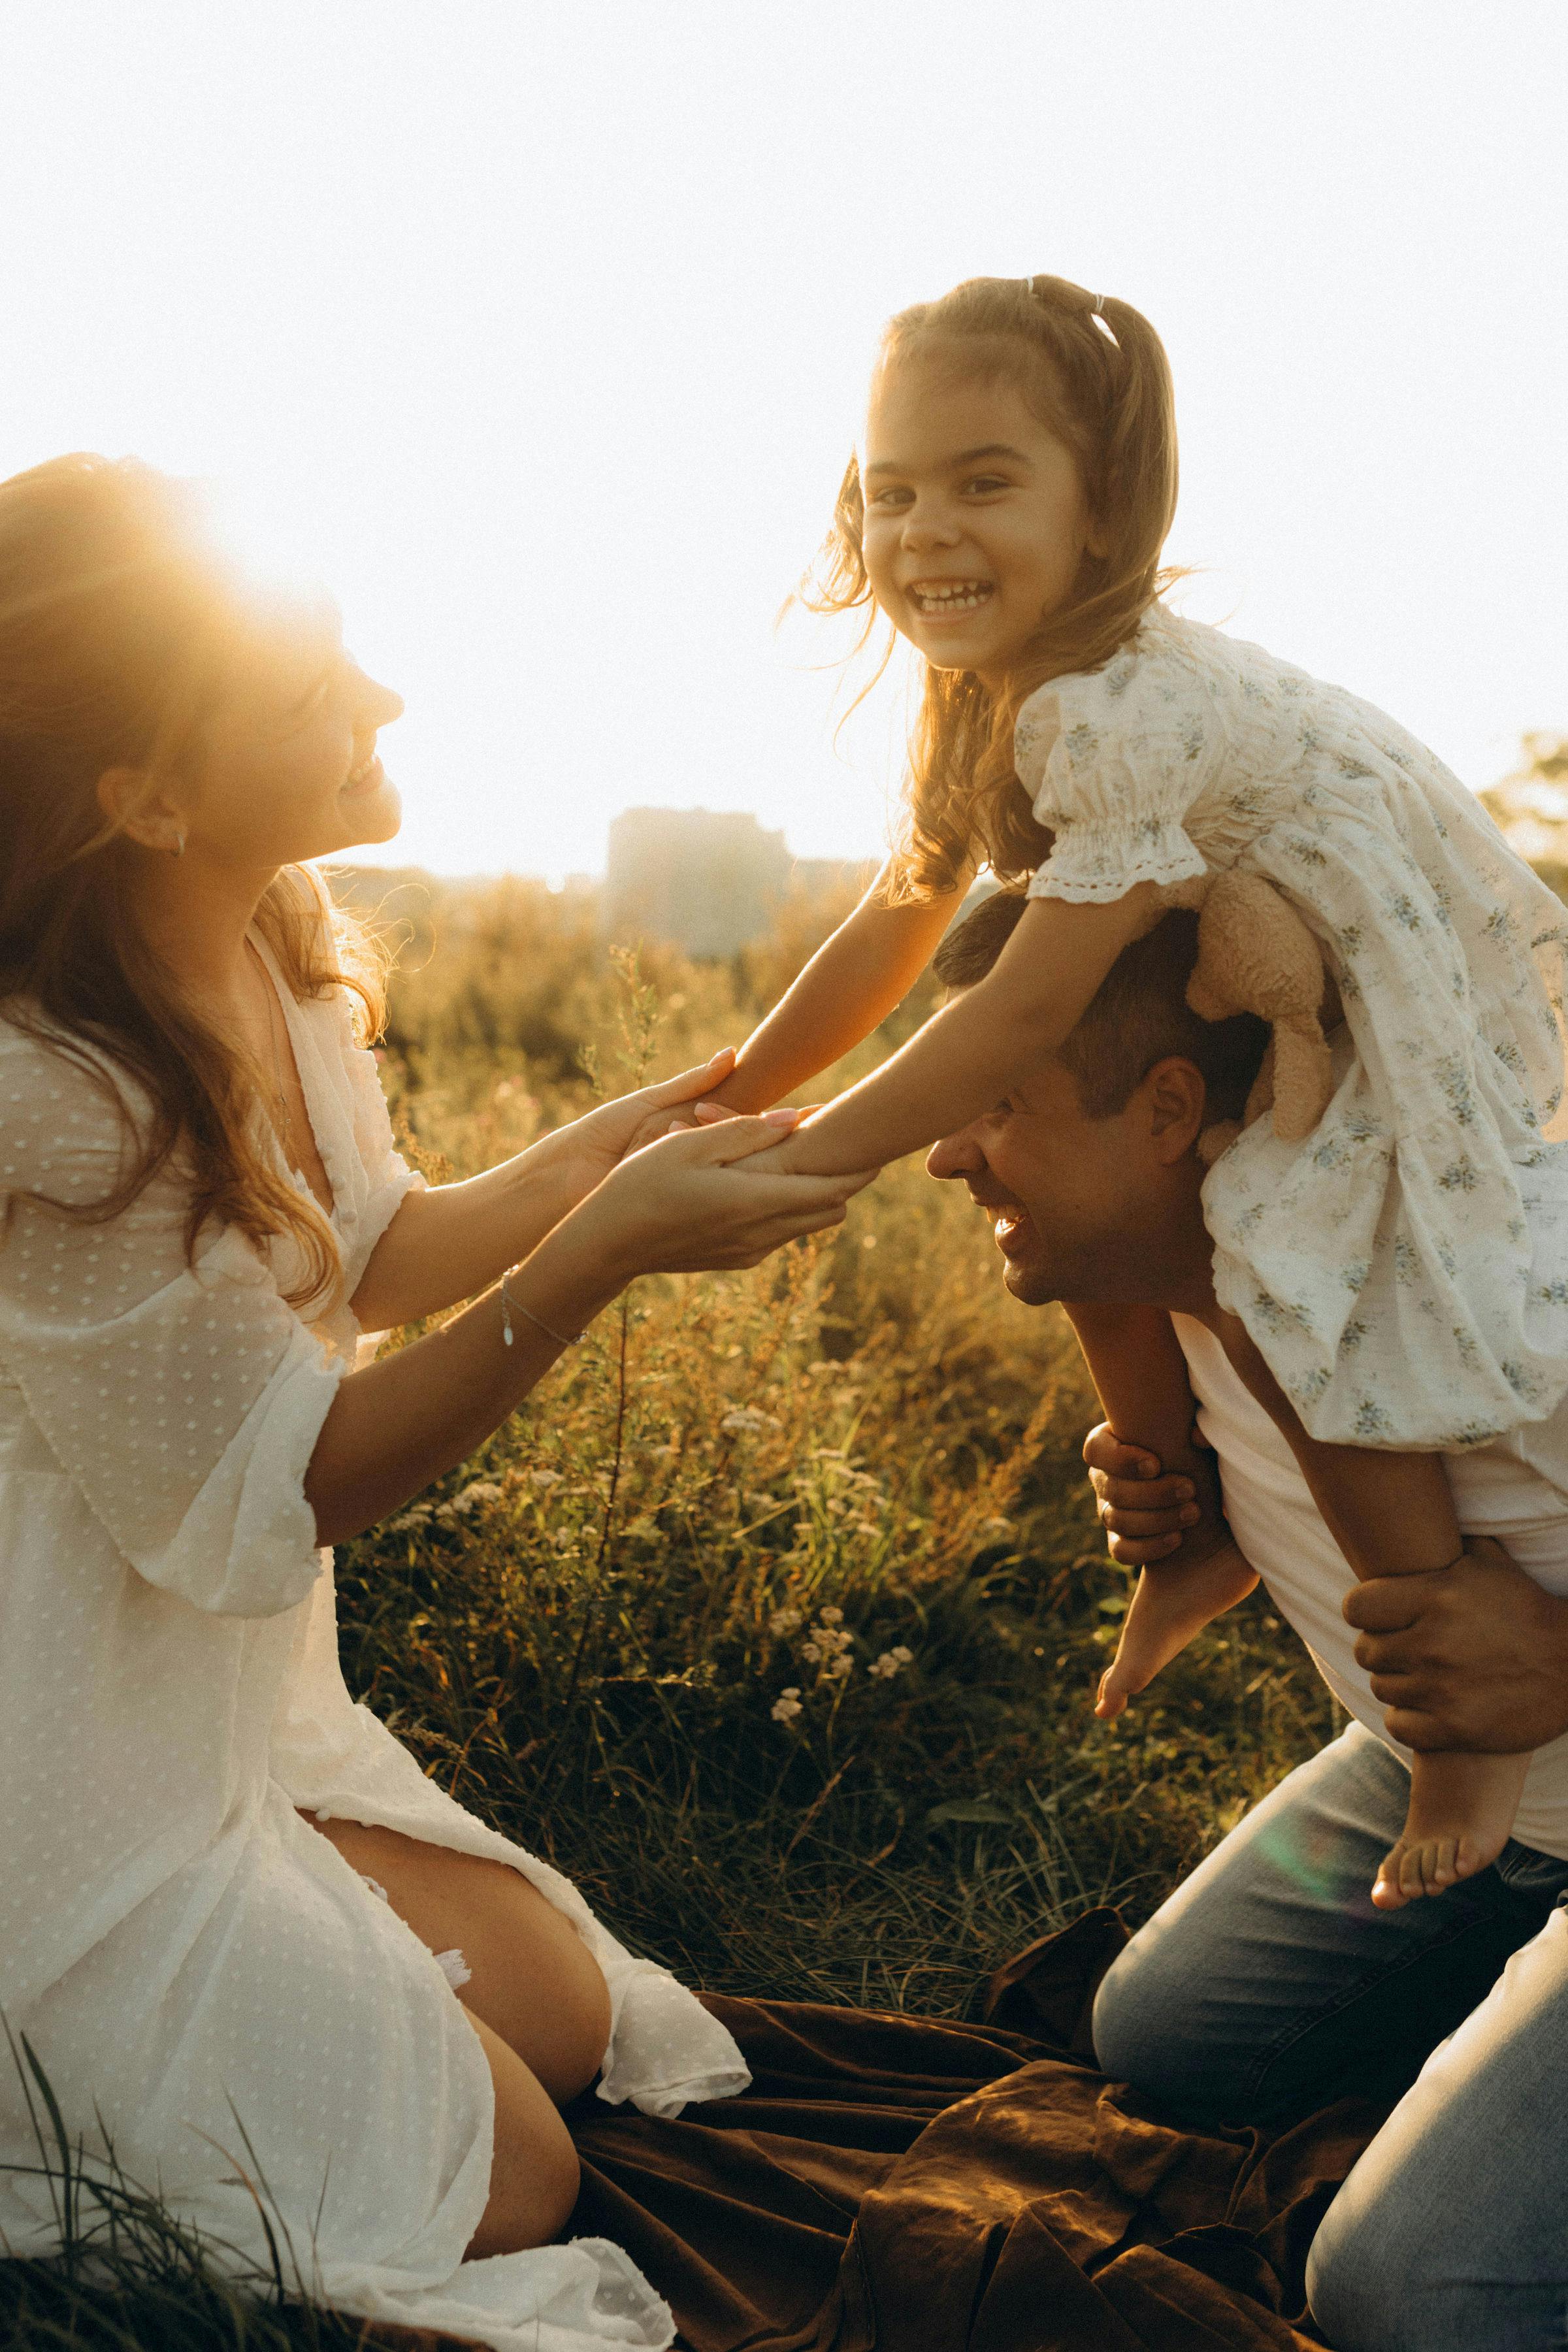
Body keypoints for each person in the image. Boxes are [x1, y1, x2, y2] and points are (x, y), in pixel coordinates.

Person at [0, 455, 874, 2352]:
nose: (379, 702)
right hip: (60, 1769)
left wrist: (625, 1141)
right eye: (309, 691)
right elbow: (296, 1480)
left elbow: (378, 1249)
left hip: (231, 1726)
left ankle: (273, 1956)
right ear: (139, 793)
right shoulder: (52, 1092)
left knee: (564, 2020)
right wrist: (600, 1259)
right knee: (508, 2181)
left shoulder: (266, 930)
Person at [691, 268, 1568, 1906]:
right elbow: (903, 915)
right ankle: (1194, 1537)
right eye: (890, 491)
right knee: (1094, 1227)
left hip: (1361, 978)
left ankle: (1456, 1708)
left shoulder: (1113, 702)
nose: (924, 529)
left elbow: (1028, 999)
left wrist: (830, 1151)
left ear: (1104, 517)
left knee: (1316, 1281)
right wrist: (746, 1083)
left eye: (984, 481)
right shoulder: (983, 698)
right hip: (1230, 938)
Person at [926, 885, 1568, 2352]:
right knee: (1163, 2039)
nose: (945, 1153)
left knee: (1408, 2298)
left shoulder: (1507, 1312)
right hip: (1451, 1786)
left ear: (1166, 1110)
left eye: (997, 1103)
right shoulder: (1186, 1283)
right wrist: (1201, 1527)